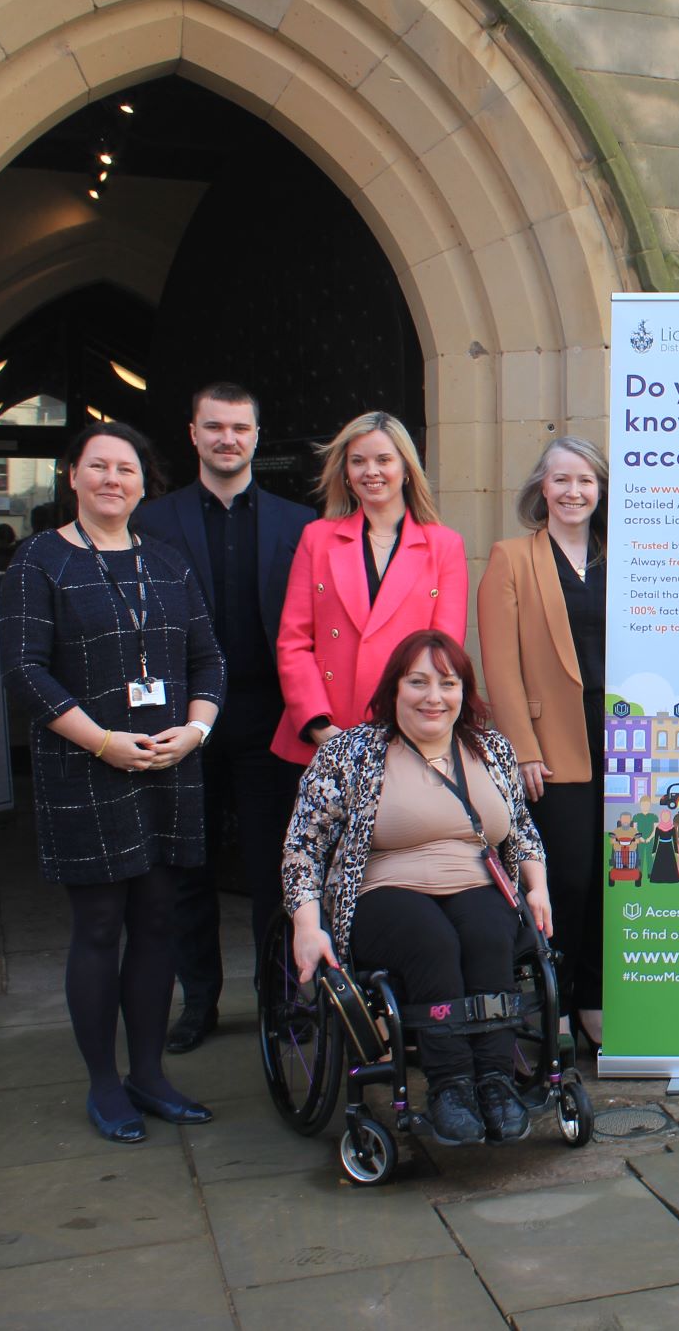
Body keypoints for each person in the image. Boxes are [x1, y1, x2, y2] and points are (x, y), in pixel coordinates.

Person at [0, 421, 225, 1143]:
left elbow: (208, 659)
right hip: (85, 767)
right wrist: (101, 741)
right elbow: (25, 672)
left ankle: (150, 1073)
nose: (111, 480)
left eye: (125, 468)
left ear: (141, 482)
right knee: (99, 925)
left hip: (165, 766)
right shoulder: (39, 560)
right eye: (97, 467)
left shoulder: (167, 561)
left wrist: (193, 732)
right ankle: (105, 1083)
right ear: (72, 475)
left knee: (158, 920)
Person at [283, 631, 551, 1146]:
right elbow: (303, 846)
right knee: (433, 942)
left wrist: (536, 888)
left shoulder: (490, 748)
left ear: (463, 692)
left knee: (491, 934)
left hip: (475, 880)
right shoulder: (352, 752)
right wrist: (305, 924)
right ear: (395, 688)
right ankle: (450, 1086)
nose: (434, 696)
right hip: (386, 888)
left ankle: (494, 1080)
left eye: (447, 683)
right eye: (418, 682)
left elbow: (521, 831)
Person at [135, 381, 313, 1054]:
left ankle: (280, 997)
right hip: (184, 719)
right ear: (193, 433)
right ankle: (200, 1001)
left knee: (275, 869)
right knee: (188, 867)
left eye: (240, 427)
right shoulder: (154, 521)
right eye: (214, 426)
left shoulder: (298, 524)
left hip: (273, 716)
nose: (227, 438)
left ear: (256, 436)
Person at [477, 435, 609, 1047]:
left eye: (585, 480)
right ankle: (553, 1003)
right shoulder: (512, 557)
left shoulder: (624, 557)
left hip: (625, 737)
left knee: (614, 875)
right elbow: (499, 666)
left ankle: (595, 1001)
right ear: (541, 489)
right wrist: (522, 746)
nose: (573, 492)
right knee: (565, 880)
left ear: (600, 489)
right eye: (561, 480)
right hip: (550, 743)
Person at [273, 411, 467, 767]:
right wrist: (319, 726)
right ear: (346, 473)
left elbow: (444, 652)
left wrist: (410, 727)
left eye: (383, 460)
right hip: (325, 735)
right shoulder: (317, 539)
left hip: (408, 737)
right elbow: (293, 641)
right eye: (358, 461)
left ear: (407, 469)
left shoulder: (445, 546)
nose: (371, 472)